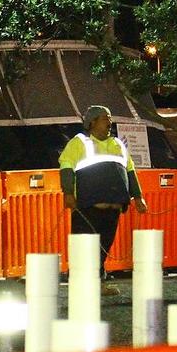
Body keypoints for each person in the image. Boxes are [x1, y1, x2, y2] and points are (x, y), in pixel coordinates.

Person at [59, 105, 147, 296]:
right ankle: (80, 286)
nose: (110, 122)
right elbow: (66, 166)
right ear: (92, 122)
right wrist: (68, 193)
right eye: (105, 118)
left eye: (109, 118)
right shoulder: (79, 143)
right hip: (88, 208)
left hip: (113, 208)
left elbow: (130, 171)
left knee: (102, 249)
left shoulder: (118, 144)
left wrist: (137, 197)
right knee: (84, 246)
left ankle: (97, 284)